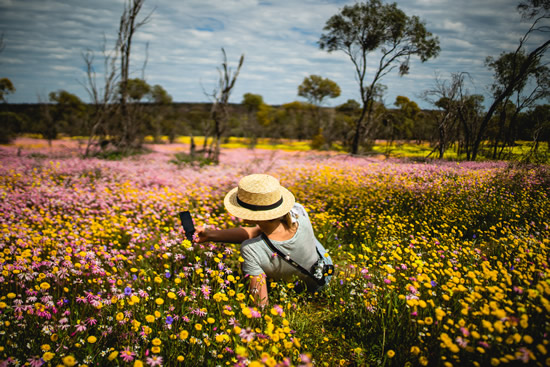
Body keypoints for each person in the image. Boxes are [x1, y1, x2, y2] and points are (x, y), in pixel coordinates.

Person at [195, 173, 332, 306]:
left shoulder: (251, 249)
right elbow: (254, 232)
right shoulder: (298, 213)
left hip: (304, 290)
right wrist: (210, 235)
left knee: (255, 252)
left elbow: (261, 303)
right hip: (325, 271)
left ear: (252, 215)